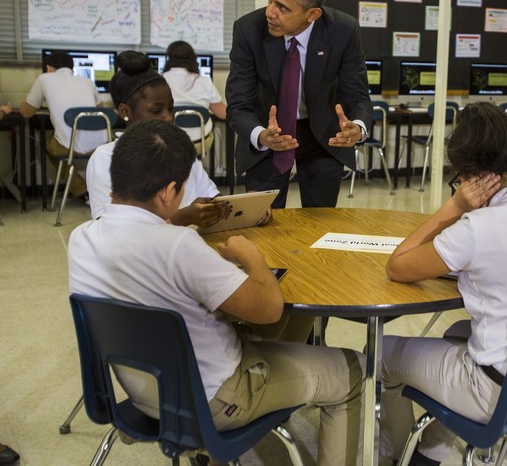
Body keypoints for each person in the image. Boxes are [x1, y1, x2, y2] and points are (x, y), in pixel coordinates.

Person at [68, 119, 365, 465]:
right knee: (353, 370)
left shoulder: (80, 239)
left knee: (286, 324)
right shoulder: (178, 245)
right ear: (167, 192)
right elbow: (269, 308)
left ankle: (282, 394)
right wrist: (251, 258)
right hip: (214, 398)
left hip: (143, 393)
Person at [378, 103, 507, 466]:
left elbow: (397, 266)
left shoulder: (476, 228)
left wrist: (453, 207)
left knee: (380, 354)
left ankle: (397, 457)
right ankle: (429, 452)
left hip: (501, 392)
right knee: (457, 333)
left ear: (468, 174)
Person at [226, 0, 372, 209]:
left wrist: (357, 128)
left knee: (319, 224)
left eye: (282, 7)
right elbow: (239, 104)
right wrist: (261, 135)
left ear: (312, 14)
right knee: (263, 221)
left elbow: (357, 96)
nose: (270, 12)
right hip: (267, 133)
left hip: (322, 136)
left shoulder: (343, 30)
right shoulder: (248, 29)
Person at [86, 51, 231, 228]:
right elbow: (109, 230)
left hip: (191, 243)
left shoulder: (181, 151)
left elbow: (213, 197)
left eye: (171, 108)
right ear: (125, 111)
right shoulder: (105, 158)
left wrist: (247, 207)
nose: (168, 117)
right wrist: (183, 218)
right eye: (156, 111)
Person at [19, 51, 107, 203]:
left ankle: (83, 190)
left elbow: (27, 112)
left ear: (48, 68)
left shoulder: (44, 79)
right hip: (101, 144)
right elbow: (101, 107)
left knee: (49, 145)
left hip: (71, 148)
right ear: (72, 68)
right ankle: (103, 191)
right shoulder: (87, 81)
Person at [161, 40, 227, 156]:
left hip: (170, 142)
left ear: (169, 58)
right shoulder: (204, 81)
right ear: (192, 58)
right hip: (199, 142)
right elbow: (223, 114)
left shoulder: (161, 81)